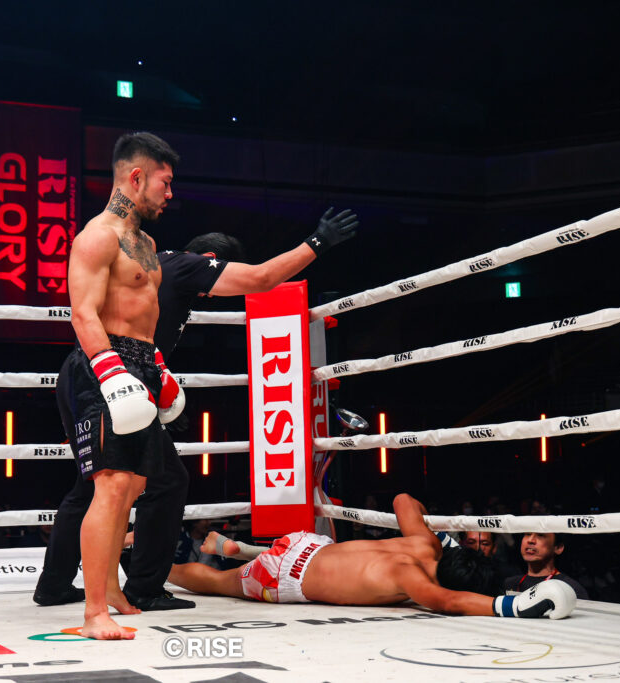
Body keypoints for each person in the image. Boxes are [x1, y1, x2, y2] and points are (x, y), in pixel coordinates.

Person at [37, 216, 358, 612]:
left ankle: (55, 584)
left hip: (91, 372)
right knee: (166, 481)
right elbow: (260, 278)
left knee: (94, 485)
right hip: (111, 375)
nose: (210, 295)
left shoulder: (156, 266)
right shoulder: (186, 266)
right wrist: (318, 241)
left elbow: (136, 336)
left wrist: (161, 384)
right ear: (210, 259)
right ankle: (142, 588)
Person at [59, 131, 181, 640]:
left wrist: (158, 369)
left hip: (142, 364)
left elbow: (143, 318)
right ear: (136, 177)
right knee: (110, 486)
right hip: (103, 363)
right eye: (164, 182)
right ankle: (93, 614)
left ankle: (111, 589)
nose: (169, 193)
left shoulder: (147, 246)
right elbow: (83, 313)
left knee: (132, 485)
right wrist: (111, 373)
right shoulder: (97, 237)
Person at [167, 493, 576, 619]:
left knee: (229, 573)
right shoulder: (413, 580)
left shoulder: (424, 545)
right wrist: (511, 607)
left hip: (306, 543)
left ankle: (238, 551)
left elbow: (403, 500)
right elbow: (449, 601)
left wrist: (444, 540)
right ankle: (156, 570)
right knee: (215, 582)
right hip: (286, 578)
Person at [502, 532, 589, 600]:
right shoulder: (510, 584)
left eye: (540, 535)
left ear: (558, 548)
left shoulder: (571, 589)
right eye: (527, 534)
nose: (531, 540)